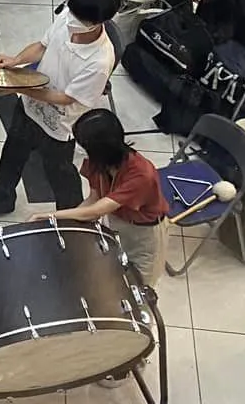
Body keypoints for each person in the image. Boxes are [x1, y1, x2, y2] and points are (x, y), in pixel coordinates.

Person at [0, 0, 120, 220]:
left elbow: (66, 98)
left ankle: (71, 218)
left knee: (59, 173)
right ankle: (1, 198)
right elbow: (41, 46)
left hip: (60, 125)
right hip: (30, 107)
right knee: (12, 153)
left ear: (96, 23)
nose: (71, 20)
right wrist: (16, 61)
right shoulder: (70, 16)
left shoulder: (99, 61)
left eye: (78, 18)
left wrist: (20, 87)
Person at [55, 109, 168, 287]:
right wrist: (62, 223)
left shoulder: (141, 175)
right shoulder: (97, 163)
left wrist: (49, 216)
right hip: (116, 222)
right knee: (113, 276)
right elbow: (94, 200)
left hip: (143, 234)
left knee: (141, 286)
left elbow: (96, 211)